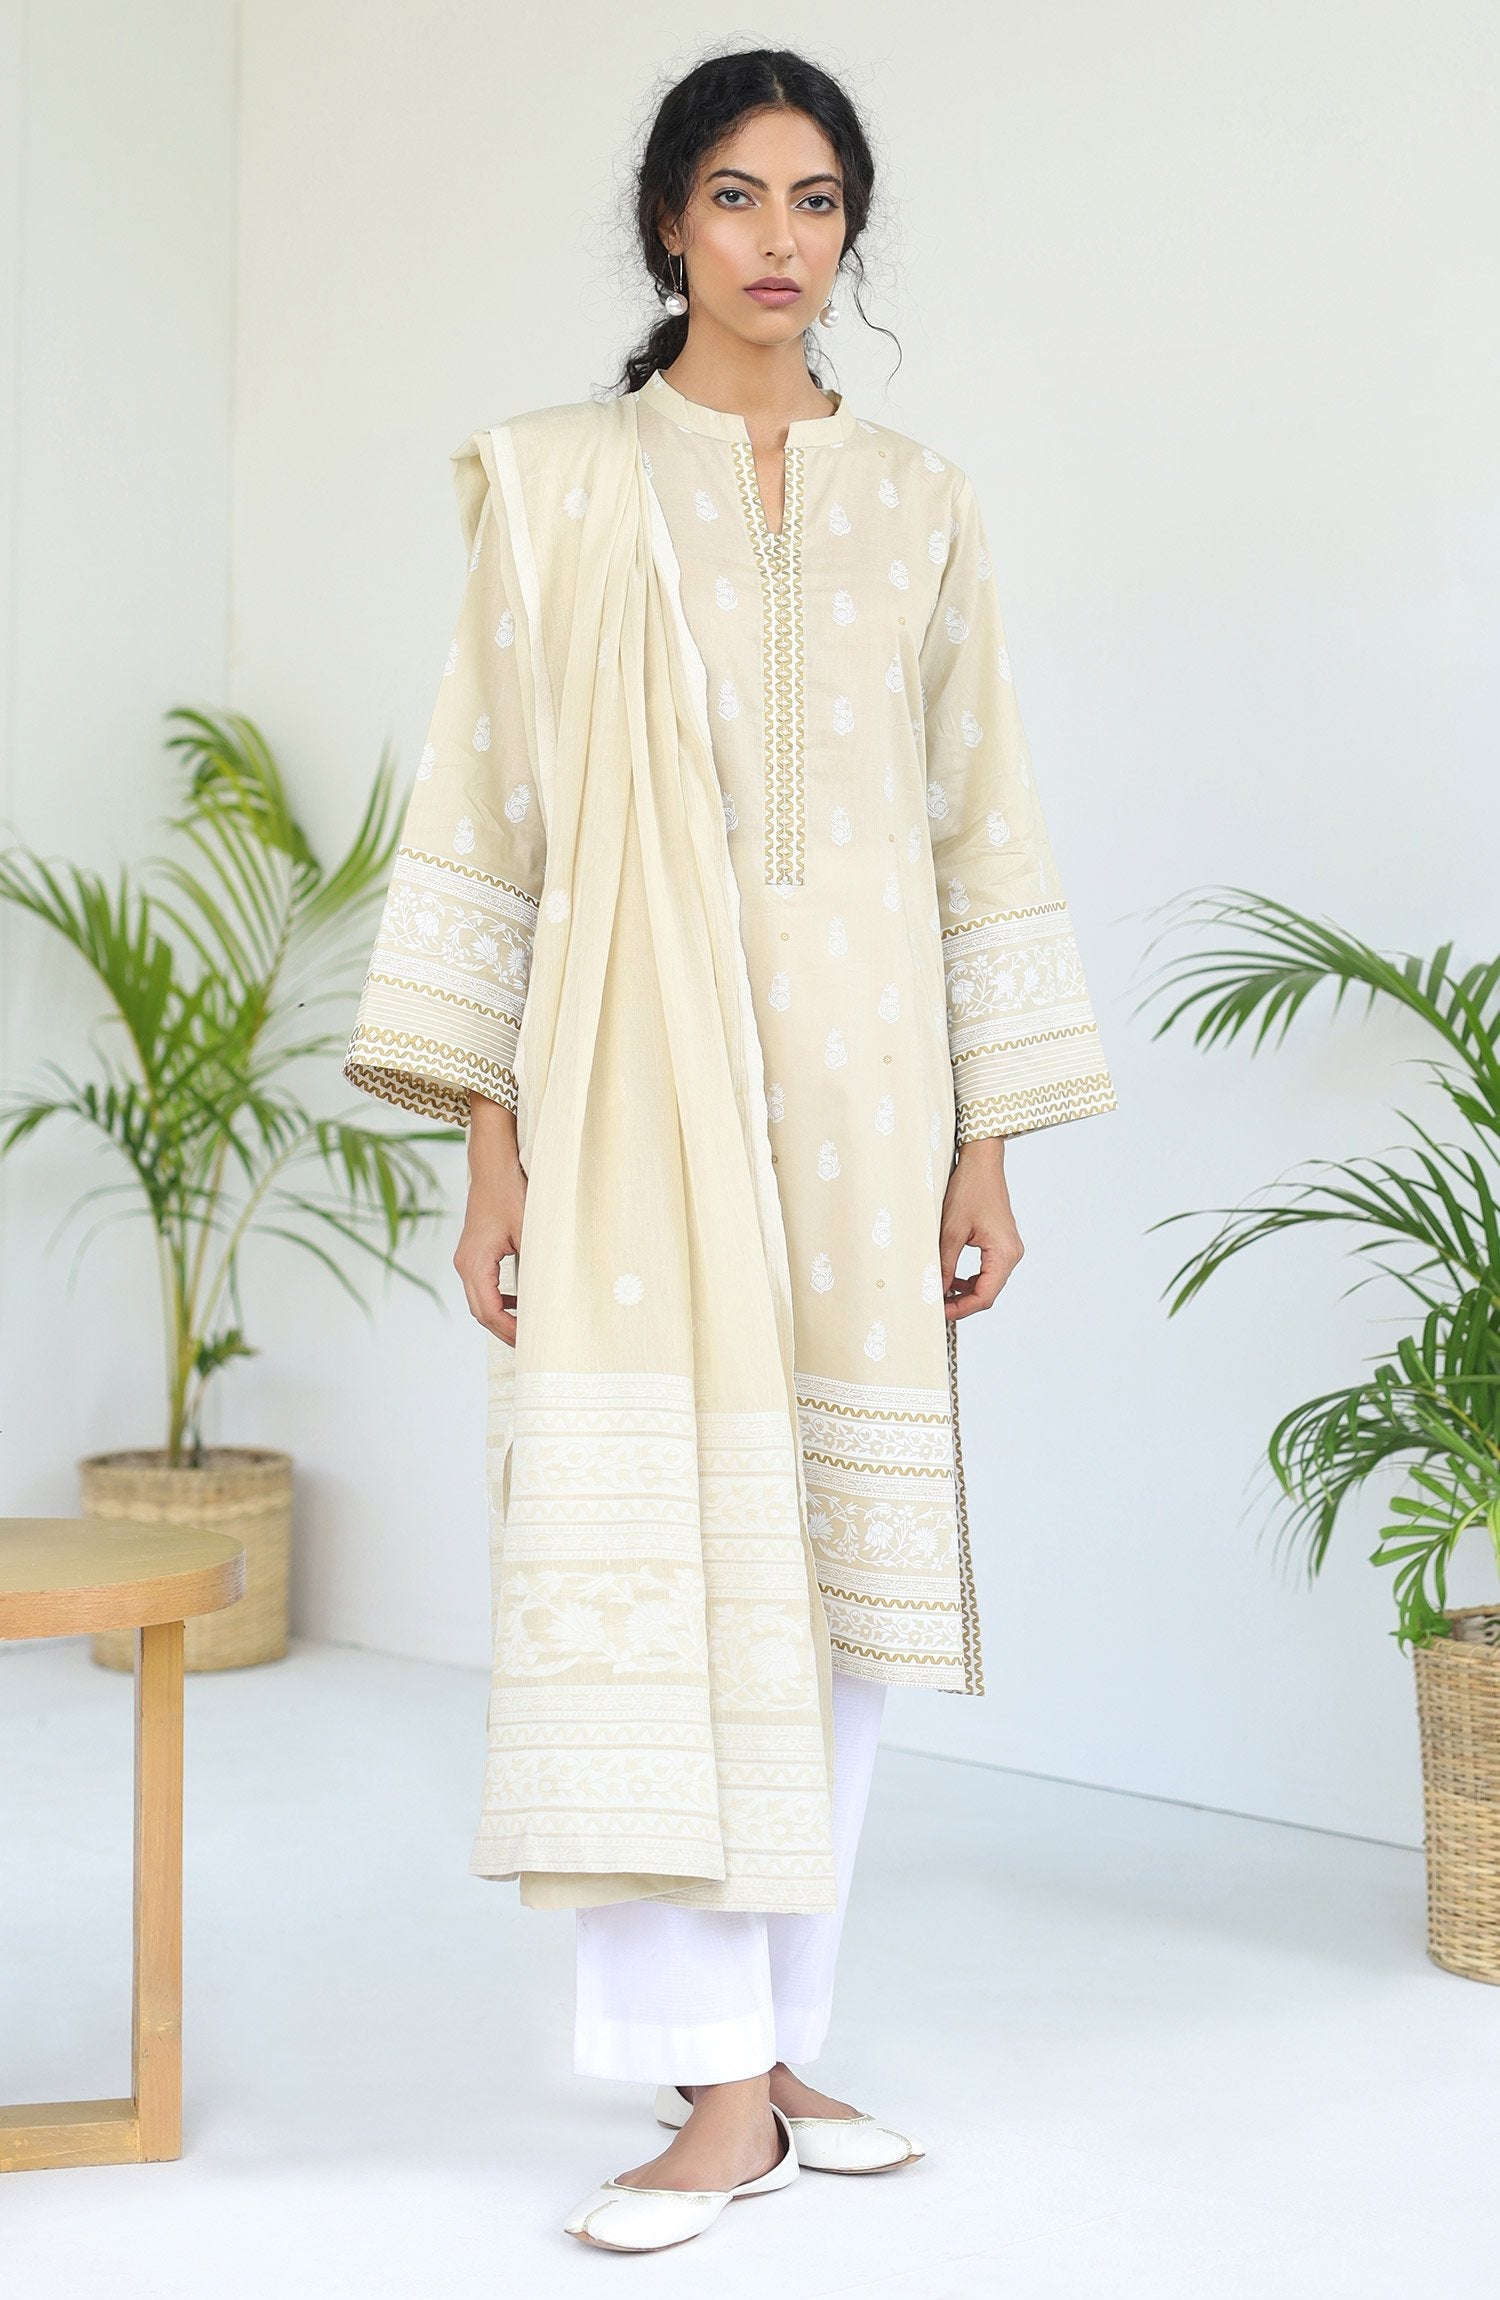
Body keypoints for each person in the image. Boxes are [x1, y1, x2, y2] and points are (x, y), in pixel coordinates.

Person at [345, 46, 1116, 2255]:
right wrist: (489, 1153)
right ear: (669, 225)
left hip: (871, 1096)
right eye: (737, 197)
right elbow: (490, 810)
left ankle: (772, 2048)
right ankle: (706, 2085)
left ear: (850, 228)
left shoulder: (924, 501)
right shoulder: (561, 485)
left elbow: (980, 822)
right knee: (655, 1561)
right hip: (625, 1093)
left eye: (817, 199)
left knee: (833, 1581)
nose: (781, 240)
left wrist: (986, 1145)